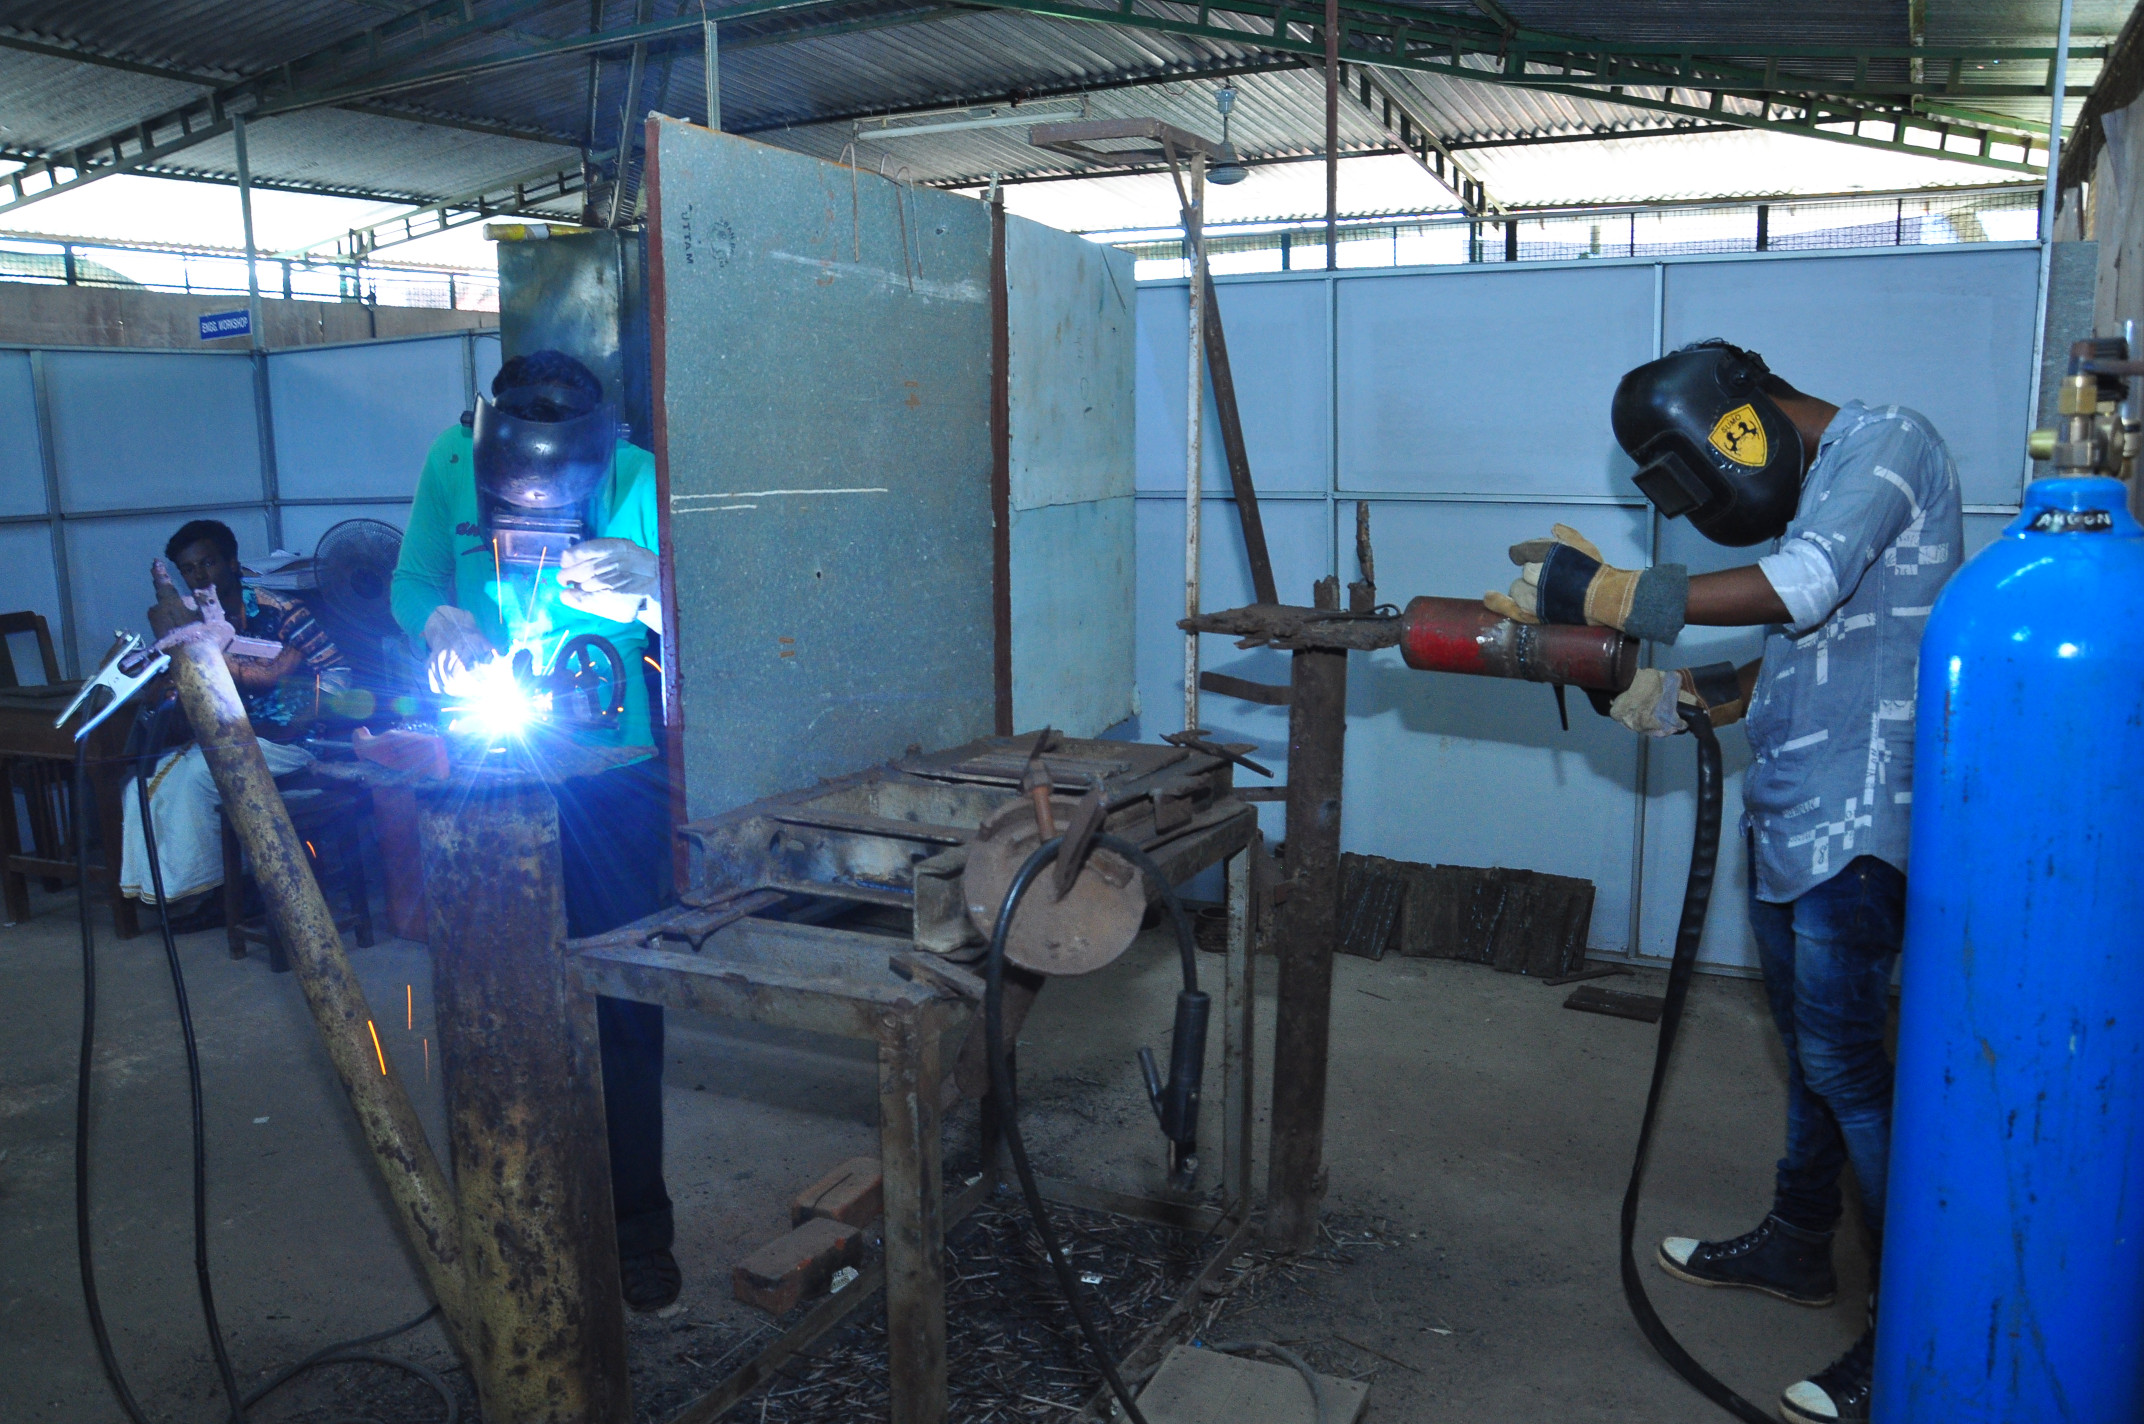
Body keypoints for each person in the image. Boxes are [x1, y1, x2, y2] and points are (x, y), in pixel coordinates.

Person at [1485, 340, 1960, 1424]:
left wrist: (1618, 593)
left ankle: (1914, 1324)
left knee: (1847, 1067)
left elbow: (1801, 588)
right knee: (1812, 1057)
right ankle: (1798, 1242)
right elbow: (1800, 652)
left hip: (1857, 826)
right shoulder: (1826, 488)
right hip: (1798, 815)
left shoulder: (1888, 441)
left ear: (1738, 412)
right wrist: (1666, 698)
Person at [388, 348, 680, 1312]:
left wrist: (657, 580)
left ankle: (637, 1230)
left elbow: (723, 619)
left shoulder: (642, 477)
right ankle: (513, 1217)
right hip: (487, 769)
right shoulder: (448, 461)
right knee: (492, 993)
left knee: (623, 1000)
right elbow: (411, 583)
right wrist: (440, 625)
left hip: (613, 778)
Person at [120, 519, 352, 923]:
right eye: (188, 569)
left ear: (232, 563)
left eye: (207, 563)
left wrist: (301, 720)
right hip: (228, 737)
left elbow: (338, 672)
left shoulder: (280, 611)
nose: (199, 576)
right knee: (144, 782)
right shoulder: (187, 620)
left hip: (289, 741)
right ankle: (168, 893)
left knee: (197, 777)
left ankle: (212, 895)